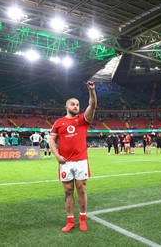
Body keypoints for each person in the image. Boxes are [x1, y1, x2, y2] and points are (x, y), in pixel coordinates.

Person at [49, 81, 97, 233]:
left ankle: (82, 219)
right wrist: (57, 156)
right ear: (67, 106)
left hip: (81, 161)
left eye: (77, 104)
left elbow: (93, 105)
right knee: (68, 191)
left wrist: (92, 91)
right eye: (73, 104)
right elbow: (51, 139)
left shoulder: (83, 119)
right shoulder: (59, 122)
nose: (76, 106)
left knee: (81, 189)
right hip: (65, 162)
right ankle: (70, 221)